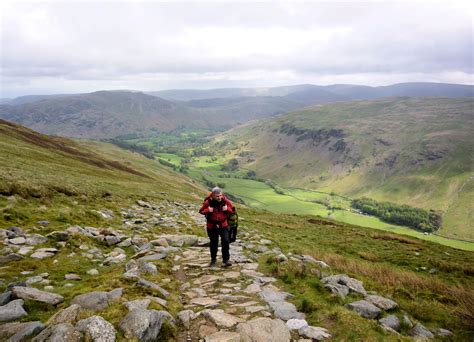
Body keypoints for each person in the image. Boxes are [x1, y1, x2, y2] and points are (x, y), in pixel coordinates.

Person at [199, 187, 234, 267]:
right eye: (217, 196)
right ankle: (213, 260)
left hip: (224, 225)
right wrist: (208, 210)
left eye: (220, 195)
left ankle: (226, 260)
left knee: (225, 241)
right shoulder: (208, 202)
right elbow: (201, 211)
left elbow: (232, 210)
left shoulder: (226, 201)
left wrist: (227, 209)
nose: (219, 197)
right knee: (214, 243)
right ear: (213, 196)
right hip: (212, 226)